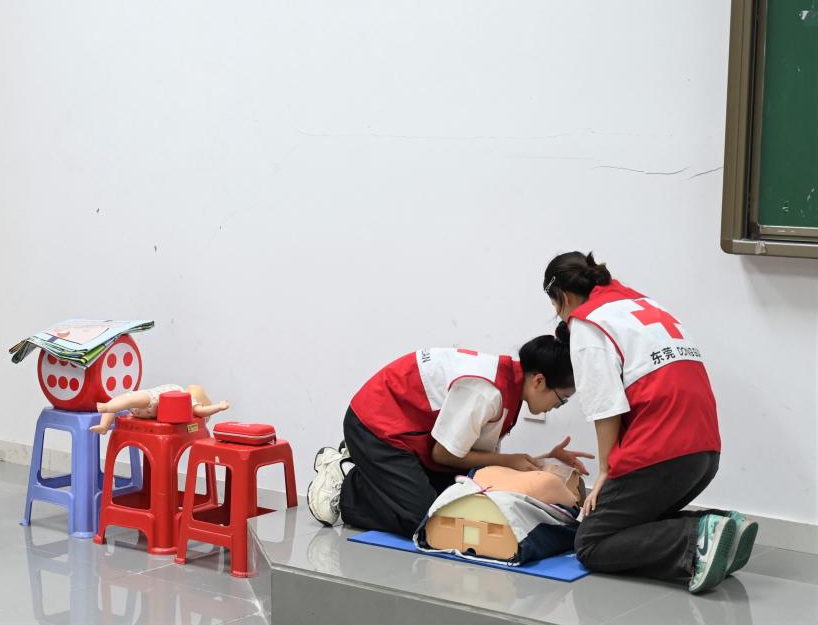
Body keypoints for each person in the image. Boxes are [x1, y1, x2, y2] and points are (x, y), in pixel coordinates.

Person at [543, 250, 757, 594]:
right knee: (634, 520)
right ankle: (721, 527)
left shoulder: (587, 322)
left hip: (662, 452)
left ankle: (695, 538)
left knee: (591, 542)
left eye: (556, 306)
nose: (560, 315)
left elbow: (606, 405)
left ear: (564, 298)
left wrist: (605, 471)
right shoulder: (642, 304)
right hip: (703, 452)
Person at [307, 325, 592, 537]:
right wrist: (510, 461)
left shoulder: (512, 388)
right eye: (562, 399)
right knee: (428, 520)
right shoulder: (487, 392)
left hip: (412, 435)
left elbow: (476, 459)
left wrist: (544, 459)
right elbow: (443, 455)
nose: (557, 407)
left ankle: (366, 467)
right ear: (539, 381)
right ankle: (346, 481)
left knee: (459, 498)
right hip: (375, 426)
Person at [89, 384, 230, 434]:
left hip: (151, 400)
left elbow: (201, 412)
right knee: (123, 401)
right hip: (147, 407)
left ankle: (107, 409)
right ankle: (104, 426)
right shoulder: (183, 395)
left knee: (125, 400)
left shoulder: (188, 401)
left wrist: (219, 407)